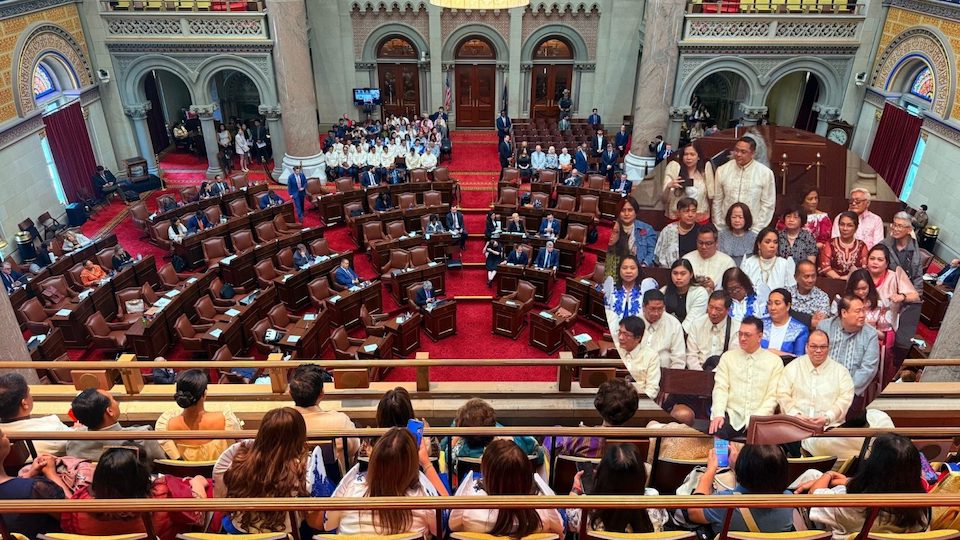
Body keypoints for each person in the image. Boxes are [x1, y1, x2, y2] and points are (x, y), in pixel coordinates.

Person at [801, 434, 929, 539]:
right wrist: (847, 481)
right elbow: (890, 482)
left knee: (811, 476)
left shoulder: (851, 505)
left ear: (874, 465)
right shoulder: (922, 509)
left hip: (841, 526)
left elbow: (814, 496)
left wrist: (828, 475)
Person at [325, 427, 447, 537]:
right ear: (411, 466)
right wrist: (426, 463)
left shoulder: (350, 490)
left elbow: (327, 523)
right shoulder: (423, 501)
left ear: (373, 461)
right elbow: (445, 522)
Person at [62, 447, 206, 540]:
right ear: (141, 475)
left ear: (99, 476)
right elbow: (198, 516)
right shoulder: (163, 493)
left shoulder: (80, 506)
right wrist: (198, 482)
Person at [215, 408, 321, 533]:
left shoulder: (235, 460)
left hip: (239, 532)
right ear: (300, 437)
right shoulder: (306, 468)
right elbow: (316, 522)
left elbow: (220, 500)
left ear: (262, 433)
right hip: (283, 535)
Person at [449, 439, 563, 537]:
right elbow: (561, 528)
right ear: (527, 476)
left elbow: (452, 525)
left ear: (488, 476)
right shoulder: (545, 517)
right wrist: (573, 492)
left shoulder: (467, 513)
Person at [687, 444, 793, 535]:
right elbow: (760, 484)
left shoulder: (725, 504)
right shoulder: (789, 501)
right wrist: (737, 468)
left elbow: (693, 512)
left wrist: (710, 470)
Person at [567, 443, 667, 535]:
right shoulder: (654, 503)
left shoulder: (585, 511)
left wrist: (575, 490)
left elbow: (568, 519)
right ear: (641, 476)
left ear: (601, 476)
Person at [709, 316, 783, 438]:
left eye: (747, 335)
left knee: (763, 444)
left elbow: (772, 397)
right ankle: (721, 458)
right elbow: (720, 388)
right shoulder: (728, 357)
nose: (742, 338)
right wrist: (718, 413)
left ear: (760, 337)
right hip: (732, 414)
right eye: (740, 334)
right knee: (717, 430)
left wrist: (756, 419)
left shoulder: (774, 361)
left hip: (760, 417)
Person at [155, 369, 243, 461]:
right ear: (204, 394)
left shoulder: (167, 425)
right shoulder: (225, 419)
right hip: (218, 473)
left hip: (185, 474)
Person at [545, 378, 640, 459]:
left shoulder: (579, 439)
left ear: (600, 404)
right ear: (632, 412)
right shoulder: (639, 444)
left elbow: (549, 448)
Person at [776, 330, 854, 427]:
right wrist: (795, 415)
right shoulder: (792, 367)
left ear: (828, 348)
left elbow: (845, 400)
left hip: (829, 429)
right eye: (813, 346)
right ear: (806, 347)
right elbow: (782, 394)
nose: (818, 350)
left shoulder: (841, 372)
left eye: (823, 347)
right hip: (794, 426)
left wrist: (827, 417)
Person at [0, 427, 68, 540]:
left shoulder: (29, 485)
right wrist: (51, 473)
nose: (7, 436)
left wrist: (28, 475)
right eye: (2, 436)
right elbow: (76, 518)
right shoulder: (35, 488)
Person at [817, 295, 880, 411]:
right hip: (820, 387)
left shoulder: (870, 334)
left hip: (851, 393)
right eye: (857, 311)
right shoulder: (825, 327)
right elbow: (815, 356)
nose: (862, 315)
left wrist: (845, 390)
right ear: (844, 313)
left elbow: (868, 368)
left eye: (863, 310)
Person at [66, 389, 165, 461]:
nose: (117, 403)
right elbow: (163, 464)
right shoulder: (142, 437)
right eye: (113, 399)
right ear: (110, 411)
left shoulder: (73, 441)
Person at [289, 364, 359, 466]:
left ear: (290, 393)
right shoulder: (340, 421)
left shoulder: (281, 422)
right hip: (334, 478)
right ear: (322, 394)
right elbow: (354, 449)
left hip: (294, 476)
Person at [446, 398, 544, 470]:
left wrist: (455, 437)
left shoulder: (458, 452)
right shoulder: (516, 444)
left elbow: (447, 455)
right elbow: (539, 457)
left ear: (463, 435)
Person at [713, 137, 776, 233]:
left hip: (753, 229)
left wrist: (756, 230)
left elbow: (768, 205)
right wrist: (720, 227)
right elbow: (717, 201)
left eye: (743, 152)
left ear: (753, 153)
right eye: (736, 150)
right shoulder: (722, 170)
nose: (738, 154)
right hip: (726, 228)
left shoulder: (765, 173)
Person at [0, 373, 71, 456]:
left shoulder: (2, 436)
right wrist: (77, 430)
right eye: (28, 392)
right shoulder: (52, 430)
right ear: (24, 404)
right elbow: (77, 444)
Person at [865, 244, 920, 333]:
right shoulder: (860, 274)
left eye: (880, 260)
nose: (875, 262)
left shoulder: (894, 276)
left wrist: (902, 297)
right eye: (872, 258)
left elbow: (915, 296)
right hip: (861, 320)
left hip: (885, 325)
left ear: (886, 263)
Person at [685, 290, 741, 371]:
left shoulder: (737, 328)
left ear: (728, 310)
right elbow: (691, 355)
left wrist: (713, 375)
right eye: (710, 307)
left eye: (718, 309)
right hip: (698, 372)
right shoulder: (697, 324)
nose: (713, 312)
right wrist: (700, 374)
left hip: (724, 372)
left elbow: (732, 358)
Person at [662, 142, 715, 222]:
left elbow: (711, 196)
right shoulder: (674, 168)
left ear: (698, 157)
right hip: (677, 218)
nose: (688, 157)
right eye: (686, 154)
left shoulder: (704, 171)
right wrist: (669, 186)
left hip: (700, 218)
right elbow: (663, 200)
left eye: (692, 154)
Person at [741, 227, 797, 296]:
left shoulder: (784, 264)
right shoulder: (748, 263)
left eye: (775, 242)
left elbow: (791, 291)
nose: (772, 246)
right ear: (759, 245)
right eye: (767, 242)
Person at [638, 289, 686, 369]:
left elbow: (679, 359)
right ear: (643, 307)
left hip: (664, 373)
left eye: (660, 309)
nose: (656, 313)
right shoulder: (634, 322)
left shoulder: (673, 324)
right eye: (652, 309)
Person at [615, 316, 661, 399]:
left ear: (638, 338)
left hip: (638, 400)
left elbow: (652, 389)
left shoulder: (651, 356)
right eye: (620, 332)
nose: (620, 337)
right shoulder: (615, 350)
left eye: (626, 334)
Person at [609, 196, 658, 271]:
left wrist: (644, 265)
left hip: (641, 269)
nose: (626, 213)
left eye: (630, 210)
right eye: (623, 210)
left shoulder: (647, 229)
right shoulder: (611, 228)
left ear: (636, 211)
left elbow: (652, 252)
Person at [879, 211, 926, 289]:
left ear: (909, 229)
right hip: (884, 287)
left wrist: (917, 296)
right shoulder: (884, 245)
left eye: (900, 226)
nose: (895, 229)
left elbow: (917, 277)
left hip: (906, 290)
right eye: (894, 225)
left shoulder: (914, 250)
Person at [683, 225, 735, 291]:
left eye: (708, 243)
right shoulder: (687, 259)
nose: (704, 247)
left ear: (716, 243)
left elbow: (731, 289)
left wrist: (714, 288)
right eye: (700, 243)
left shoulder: (727, 262)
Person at [761, 288, 809, 358]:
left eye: (777, 303)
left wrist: (778, 354)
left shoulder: (800, 329)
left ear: (788, 306)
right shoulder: (760, 324)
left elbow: (800, 358)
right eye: (769, 303)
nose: (772, 308)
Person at [662, 258, 708, 329]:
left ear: (691, 274)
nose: (678, 277)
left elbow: (692, 321)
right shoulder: (664, 291)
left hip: (688, 334)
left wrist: (677, 335)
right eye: (675, 273)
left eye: (683, 274)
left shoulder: (700, 293)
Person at [820, 211, 868, 278]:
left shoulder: (862, 246)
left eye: (849, 225)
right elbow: (825, 267)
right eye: (842, 224)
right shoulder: (830, 244)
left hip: (854, 284)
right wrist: (840, 279)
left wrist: (848, 279)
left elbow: (864, 269)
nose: (845, 229)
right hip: (831, 283)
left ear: (856, 227)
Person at [653, 197, 699, 267]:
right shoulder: (668, 230)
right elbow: (658, 257)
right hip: (669, 270)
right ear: (678, 213)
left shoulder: (700, 231)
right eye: (686, 211)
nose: (690, 215)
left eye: (693, 211)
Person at [787, 260, 830, 328]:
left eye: (813, 276)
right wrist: (809, 320)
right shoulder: (786, 293)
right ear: (796, 277)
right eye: (806, 276)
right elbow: (778, 316)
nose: (810, 280)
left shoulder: (822, 297)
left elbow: (819, 324)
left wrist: (789, 315)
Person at [717, 202, 757, 267]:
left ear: (746, 218)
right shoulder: (721, 236)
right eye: (734, 217)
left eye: (740, 217)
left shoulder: (754, 237)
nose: (737, 220)